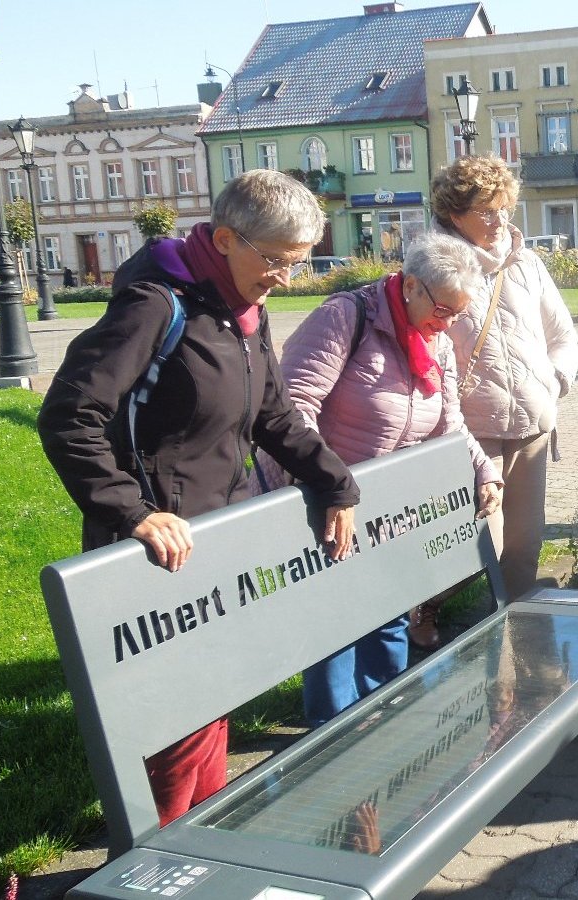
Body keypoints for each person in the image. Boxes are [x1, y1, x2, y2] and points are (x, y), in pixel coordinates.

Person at [37, 168, 360, 825]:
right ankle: (155, 867)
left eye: (297, 264)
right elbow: (70, 414)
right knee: (175, 731)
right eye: (275, 261)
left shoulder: (243, 309)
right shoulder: (156, 304)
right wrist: (132, 512)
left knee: (209, 710)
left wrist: (334, 481)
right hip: (155, 549)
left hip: (217, 536)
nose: (285, 278)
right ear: (224, 239)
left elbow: (272, 414)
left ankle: (205, 848)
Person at [258, 234, 504, 725]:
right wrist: (330, 485)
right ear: (410, 285)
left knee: (389, 616)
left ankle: (388, 729)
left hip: (389, 511)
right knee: (335, 629)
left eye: (459, 313)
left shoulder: (435, 340)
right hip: (326, 507)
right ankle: (334, 744)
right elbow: (291, 411)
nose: (450, 323)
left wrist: (483, 469)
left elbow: (449, 425)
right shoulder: (343, 319)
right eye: (443, 310)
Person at [429, 155, 578, 601]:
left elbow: (563, 335)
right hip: (475, 432)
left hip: (533, 424)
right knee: (483, 545)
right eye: (485, 210)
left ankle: (515, 634)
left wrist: (553, 383)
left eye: (504, 208)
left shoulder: (526, 263)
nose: (498, 220)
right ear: (454, 214)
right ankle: (428, 609)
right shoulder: (435, 269)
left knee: (525, 547)